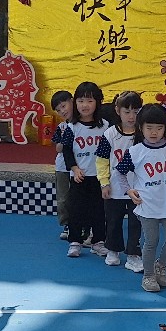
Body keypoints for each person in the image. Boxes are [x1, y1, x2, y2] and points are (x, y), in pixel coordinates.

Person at [116, 103, 166, 291]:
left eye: (159, 128)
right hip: (147, 204)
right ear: (141, 128)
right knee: (151, 241)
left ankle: (161, 265)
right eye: (149, 127)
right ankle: (148, 276)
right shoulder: (135, 151)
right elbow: (120, 172)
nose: (154, 132)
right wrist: (128, 190)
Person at [59, 81, 109, 258]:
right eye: (80, 101)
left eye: (89, 101)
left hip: (100, 178)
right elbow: (66, 150)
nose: (85, 105)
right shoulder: (72, 127)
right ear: (75, 103)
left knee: (99, 210)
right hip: (79, 177)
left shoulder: (105, 126)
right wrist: (74, 168)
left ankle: (98, 242)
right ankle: (75, 241)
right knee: (76, 210)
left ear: (97, 103)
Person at [95, 90, 143, 271]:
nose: (131, 117)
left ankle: (133, 255)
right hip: (115, 188)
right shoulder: (109, 134)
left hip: (137, 188)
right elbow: (101, 160)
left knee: (136, 222)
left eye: (136, 112)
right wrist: (104, 183)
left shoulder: (143, 135)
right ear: (117, 110)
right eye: (127, 112)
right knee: (113, 221)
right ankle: (113, 250)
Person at [50, 90, 74, 241]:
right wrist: (65, 140)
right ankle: (67, 224)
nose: (62, 111)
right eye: (58, 110)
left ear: (72, 101)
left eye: (64, 106)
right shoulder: (62, 127)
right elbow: (58, 148)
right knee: (63, 198)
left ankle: (83, 225)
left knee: (80, 198)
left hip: (82, 166)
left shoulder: (85, 124)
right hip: (63, 166)